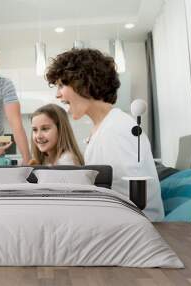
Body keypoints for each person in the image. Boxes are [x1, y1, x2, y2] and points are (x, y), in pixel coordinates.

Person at [45, 48, 164, 221]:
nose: (57, 94)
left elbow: (132, 202)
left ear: (83, 83)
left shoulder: (117, 130)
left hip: (136, 230)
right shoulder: (106, 126)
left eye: (62, 85)